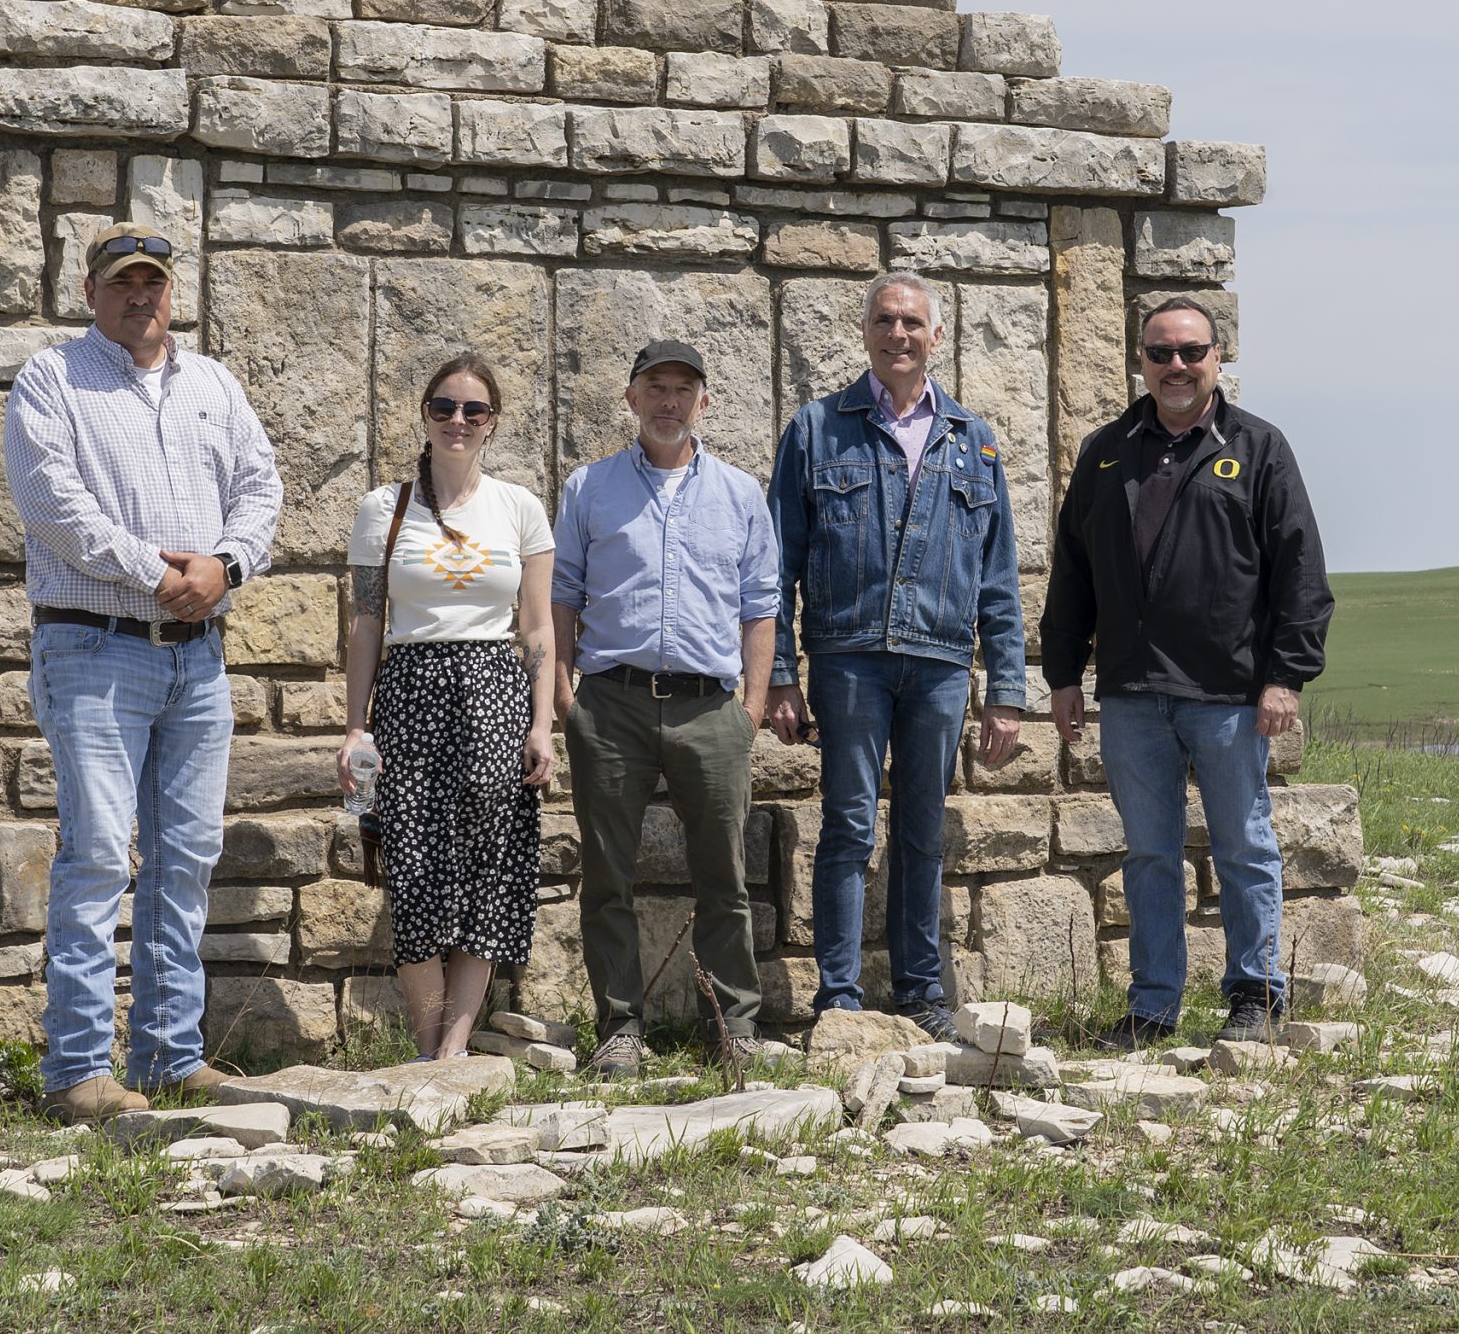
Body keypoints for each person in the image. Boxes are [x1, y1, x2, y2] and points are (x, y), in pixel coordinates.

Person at [3, 223, 283, 1121]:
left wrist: (225, 565)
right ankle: (80, 1071)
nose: (140, 297)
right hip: (94, 648)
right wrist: (157, 572)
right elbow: (53, 503)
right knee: (96, 857)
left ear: (173, 290)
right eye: (122, 282)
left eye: (153, 282)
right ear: (91, 291)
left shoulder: (213, 383)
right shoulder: (52, 379)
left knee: (187, 858)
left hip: (197, 661)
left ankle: (169, 1054)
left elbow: (261, 487)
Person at [1039, 295, 1333, 1048]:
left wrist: (1284, 676)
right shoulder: (1106, 451)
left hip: (1230, 693)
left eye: (1191, 352)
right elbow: (1072, 572)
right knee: (1148, 854)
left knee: (1244, 845)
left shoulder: (1259, 448)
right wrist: (1065, 672)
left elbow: (1300, 570)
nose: (1176, 366)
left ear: (1217, 357)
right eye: (1161, 353)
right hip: (1134, 695)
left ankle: (1257, 995)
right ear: (1140, 359)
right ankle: (1153, 1006)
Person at [766, 272, 1026, 1040]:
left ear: (935, 337)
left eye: (913, 323)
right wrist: (781, 672)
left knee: (921, 829)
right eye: (885, 320)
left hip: (942, 665)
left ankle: (920, 993)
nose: (899, 334)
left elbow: (999, 577)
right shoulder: (817, 429)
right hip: (848, 661)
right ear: (866, 332)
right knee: (848, 824)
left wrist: (1005, 689)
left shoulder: (972, 440)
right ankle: (839, 999)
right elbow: (776, 566)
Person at [553, 341, 783, 1074]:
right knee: (607, 875)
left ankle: (734, 1027)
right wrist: (565, 694)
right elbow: (561, 595)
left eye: (684, 389)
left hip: (710, 709)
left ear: (704, 403)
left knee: (724, 875)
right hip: (611, 704)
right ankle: (620, 1028)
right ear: (631, 398)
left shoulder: (742, 494)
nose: (669, 402)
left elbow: (761, 607)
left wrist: (750, 705)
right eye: (656, 387)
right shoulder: (589, 488)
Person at [339, 354, 556, 1060]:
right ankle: (428, 1047)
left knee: (489, 868)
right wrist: (355, 726)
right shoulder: (383, 507)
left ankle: (453, 1049)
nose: (457, 420)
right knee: (413, 867)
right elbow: (367, 624)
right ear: (424, 414)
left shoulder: (519, 506)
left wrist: (542, 723)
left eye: (473, 410)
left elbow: (537, 627)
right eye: (443, 406)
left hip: (496, 688)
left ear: (493, 421)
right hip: (410, 694)